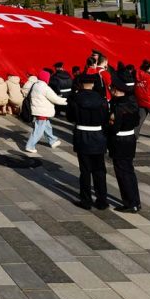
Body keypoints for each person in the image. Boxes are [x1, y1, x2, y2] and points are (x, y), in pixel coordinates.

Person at [68, 73, 110, 210]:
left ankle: (86, 201)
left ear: (81, 84)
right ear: (93, 84)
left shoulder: (75, 99)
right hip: (98, 135)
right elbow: (105, 119)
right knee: (99, 170)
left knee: (85, 171)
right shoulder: (102, 100)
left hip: (82, 135)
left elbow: (69, 117)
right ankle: (102, 200)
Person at [108, 82, 141, 213]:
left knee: (122, 173)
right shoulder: (132, 103)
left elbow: (114, 127)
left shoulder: (118, 106)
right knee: (129, 171)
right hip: (130, 138)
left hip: (119, 140)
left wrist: (109, 125)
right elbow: (137, 121)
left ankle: (129, 203)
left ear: (116, 90)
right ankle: (135, 201)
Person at [22, 72, 67, 153]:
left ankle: (52, 141)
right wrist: (67, 101)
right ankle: (30, 146)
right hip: (42, 112)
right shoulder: (45, 88)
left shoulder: (35, 85)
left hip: (39, 110)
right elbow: (55, 99)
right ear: (46, 78)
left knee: (47, 127)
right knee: (38, 130)